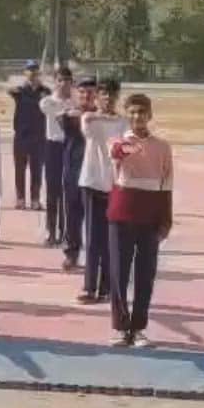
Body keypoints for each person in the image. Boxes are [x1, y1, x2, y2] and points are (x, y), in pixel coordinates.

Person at [107, 94, 172, 348]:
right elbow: (116, 152)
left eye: (142, 112)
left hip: (150, 216)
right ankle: (120, 327)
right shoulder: (118, 140)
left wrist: (166, 219)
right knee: (119, 273)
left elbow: (167, 184)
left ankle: (138, 328)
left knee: (145, 275)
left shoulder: (162, 147)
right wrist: (129, 147)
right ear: (127, 115)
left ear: (150, 115)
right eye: (133, 112)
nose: (137, 116)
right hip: (121, 215)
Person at [77, 77, 129, 304]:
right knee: (92, 238)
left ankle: (106, 287)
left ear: (117, 97)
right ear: (97, 96)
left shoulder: (124, 123)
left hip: (114, 185)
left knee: (111, 239)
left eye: (112, 94)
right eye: (104, 94)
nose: (108, 98)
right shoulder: (89, 118)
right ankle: (89, 287)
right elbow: (88, 129)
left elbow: (127, 146)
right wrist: (101, 115)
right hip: (91, 182)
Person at [60, 77, 97, 272]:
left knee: (94, 217)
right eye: (82, 92)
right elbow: (65, 121)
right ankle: (71, 254)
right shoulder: (68, 116)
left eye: (90, 92)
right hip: (73, 171)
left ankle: (94, 256)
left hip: (95, 173)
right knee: (72, 215)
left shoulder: (101, 118)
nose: (86, 95)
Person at [7, 60, 50, 210]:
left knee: (36, 169)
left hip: (39, 135)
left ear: (39, 73)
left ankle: (35, 199)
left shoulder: (45, 92)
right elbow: (9, 90)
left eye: (35, 70)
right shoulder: (19, 91)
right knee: (20, 168)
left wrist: (40, 86)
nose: (32, 73)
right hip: (21, 135)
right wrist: (22, 85)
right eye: (29, 70)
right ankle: (20, 198)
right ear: (25, 73)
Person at [39, 67, 74, 246]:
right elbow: (58, 115)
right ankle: (51, 231)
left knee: (68, 191)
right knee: (53, 190)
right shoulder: (47, 102)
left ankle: (65, 232)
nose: (63, 84)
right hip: (53, 146)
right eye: (60, 80)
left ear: (71, 82)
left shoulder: (75, 103)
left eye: (67, 80)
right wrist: (67, 110)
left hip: (70, 147)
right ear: (55, 82)